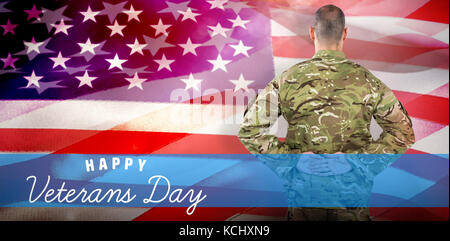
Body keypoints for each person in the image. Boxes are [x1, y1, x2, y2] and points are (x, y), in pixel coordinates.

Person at [238, 4, 415, 221]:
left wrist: (293, 160)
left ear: (311, 33)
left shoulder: (287, 80)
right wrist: (356, 161)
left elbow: (249, 131)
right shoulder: (369, 82)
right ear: (345, 33)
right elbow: (402, 133)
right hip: (352, 206)